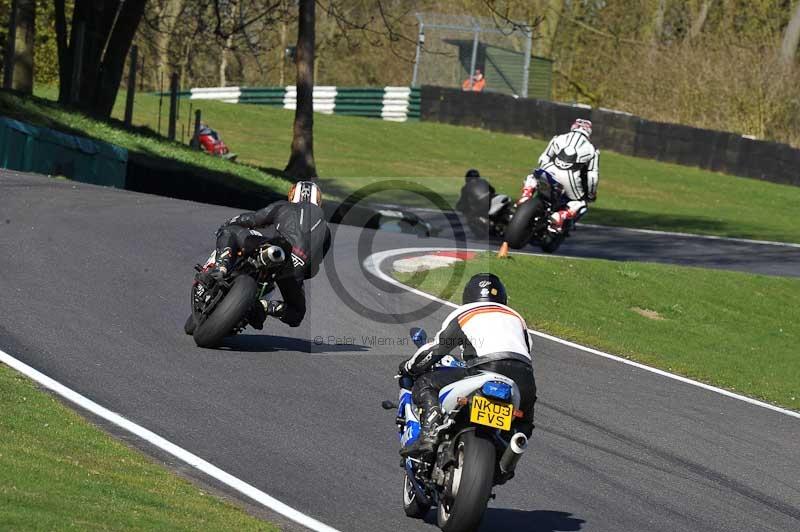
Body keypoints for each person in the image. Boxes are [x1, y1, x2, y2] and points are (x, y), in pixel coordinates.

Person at [398, 273, 537, 458]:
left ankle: (429, 435)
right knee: (524, 423)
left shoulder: (466, 313)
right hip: (524, 378)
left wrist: (409, 367)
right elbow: (527, 350)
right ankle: (508, 457)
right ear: (502, 297)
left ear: (468, 295)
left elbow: (437, 350)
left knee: (425, 383)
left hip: (485, 369)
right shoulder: (517, 318)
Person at [202, 181, 331, 328]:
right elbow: (313, 268)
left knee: (230, 230)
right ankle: (267, 306)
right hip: (293, 271)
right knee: (297, 313)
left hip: (269, 246)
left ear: (292, 195)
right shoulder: (326, 230)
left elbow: (253, 218)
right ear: (319, 201)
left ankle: (222, 266)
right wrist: (298, 270)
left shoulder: (283, 205)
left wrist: (229, 223)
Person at [520, 118, 599, 233]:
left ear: (573, 127)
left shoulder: (558, 138)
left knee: (532, 177)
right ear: (589, 132)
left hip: (549, 170)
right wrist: (591, 194)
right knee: (581, 203)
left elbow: (543, 158)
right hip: (571, 179)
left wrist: (544, 170)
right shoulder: (593, 150)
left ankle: (526, 194)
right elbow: (593, 176)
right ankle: (561, 215)